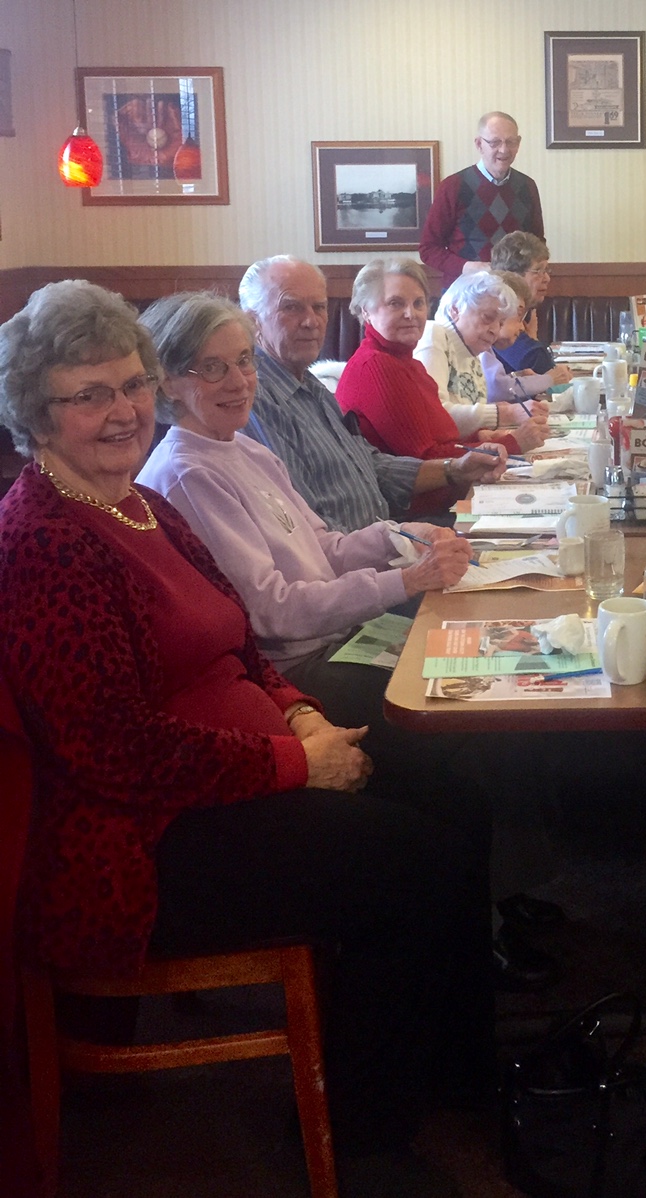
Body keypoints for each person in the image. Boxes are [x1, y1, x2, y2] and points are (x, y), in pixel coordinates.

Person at [0, 280, 493, 1187]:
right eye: (89, 395)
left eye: (132, 386)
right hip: (143, 843)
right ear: (36, 413)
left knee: (453, 793)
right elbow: (112, 751)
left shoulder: (142, 507)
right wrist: (293, 759)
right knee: (413, 865)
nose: (122, 412)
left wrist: (300, 711)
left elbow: (238, 637)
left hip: (235, 773)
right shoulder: (44, 542)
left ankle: (456, 1069)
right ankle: (368, 1139)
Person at [137, 289, 562, 994]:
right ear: (168, 382)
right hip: (304, 672)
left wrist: (399, 539)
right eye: (211, 369)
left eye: (243, 362)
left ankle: (479, 915)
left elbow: (325, 546)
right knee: (475, 705)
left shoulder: (241, 447)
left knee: (484, 693)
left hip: (338, 637)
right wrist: (405, 581)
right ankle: (467, 934)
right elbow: (273, 614)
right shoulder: (186, 472)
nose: (239, 381)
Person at [238, 254, 504, 533]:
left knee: (508, 520)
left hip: (392, 531)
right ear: (252, 322)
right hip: (373, 547)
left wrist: (456, 468)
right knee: (497, 526)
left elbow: (369, 463)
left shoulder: (311, 386)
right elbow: (303, 521)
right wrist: (398, 548)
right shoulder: (254, 399)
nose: (310, 321)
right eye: (291, 307)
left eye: (319, 307)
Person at [334, 258, 543, 501]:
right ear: (366, 312)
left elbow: (441, 438)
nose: (410, 314)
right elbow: (423, 460)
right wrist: (512, 443)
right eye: (395, 303)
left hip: (447, 496)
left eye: (418, 303)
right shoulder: (376, 366)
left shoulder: (407, 363)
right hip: (418, 513)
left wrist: (480, 438)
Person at [415, 270, 549, 454]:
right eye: (487, 317)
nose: (494, 330)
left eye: (501, 323)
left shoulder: (473, 351)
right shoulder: (433, 335)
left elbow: (460, 427)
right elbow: (436, 415)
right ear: (455, 309)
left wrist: (480, 434)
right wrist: (505, 414)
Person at [418, 112, 544, 289]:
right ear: (479, 144)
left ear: (518, 143)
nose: (504, 149)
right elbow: (428, 249)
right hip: (464, 297)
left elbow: (537, 244)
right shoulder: (452, 186)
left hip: (514, 295)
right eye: (494, 142)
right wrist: (468, 267)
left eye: (510, 142)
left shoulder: (528, 186)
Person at [489, 231, 572, 382]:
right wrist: (532, 340)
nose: (547, 278)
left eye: (546, 270)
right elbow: (537, 362)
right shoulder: (501, 307)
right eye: (538, 271)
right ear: (514, 275)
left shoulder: (528, 311)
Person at [484, 271, 570, 402]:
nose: (522, 327)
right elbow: (498, 389)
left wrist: (516, 377)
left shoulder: (486, 347)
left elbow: (493, 385)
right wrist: (549, 379)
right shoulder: (480, 347)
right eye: (518, 315)